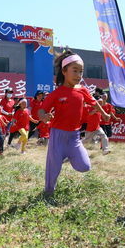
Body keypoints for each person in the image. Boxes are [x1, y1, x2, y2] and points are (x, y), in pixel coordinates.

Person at [38, 50, 110, 198]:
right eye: (75, 71)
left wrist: (104, 113)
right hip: (57, 135)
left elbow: (94, 103)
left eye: (81, 72)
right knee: (53, 168)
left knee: (85, 166)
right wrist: (44, 117)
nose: (79, 75)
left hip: (74, 137)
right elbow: (41, 110)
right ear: (64, 71)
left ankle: (67, 155)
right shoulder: (56, 93)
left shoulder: (83, 90)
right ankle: (48, 192)